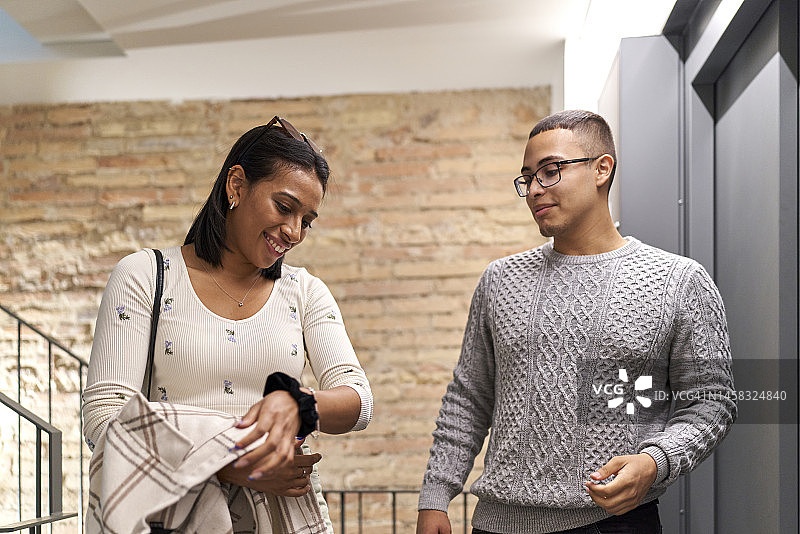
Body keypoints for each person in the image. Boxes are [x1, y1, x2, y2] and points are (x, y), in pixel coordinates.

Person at [416, 110, 736, 534]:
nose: (534, 189)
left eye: (550, 171)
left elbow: (711, 402)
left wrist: (655, 462)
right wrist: (435, 497)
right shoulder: (499, 281)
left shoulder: (678, 281)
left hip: (613, 523)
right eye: (527, 177)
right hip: (497, 523)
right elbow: (468, 398)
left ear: (602, 169)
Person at [83, 116, 373, 532]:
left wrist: (298, 404)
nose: (294, 231)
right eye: (284, 207)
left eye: (307, 220)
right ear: (236, 185)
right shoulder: (145, 277)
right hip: (172, 516)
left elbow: (359, 401)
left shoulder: (305, 292)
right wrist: (229, 465)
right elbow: (104, 417)